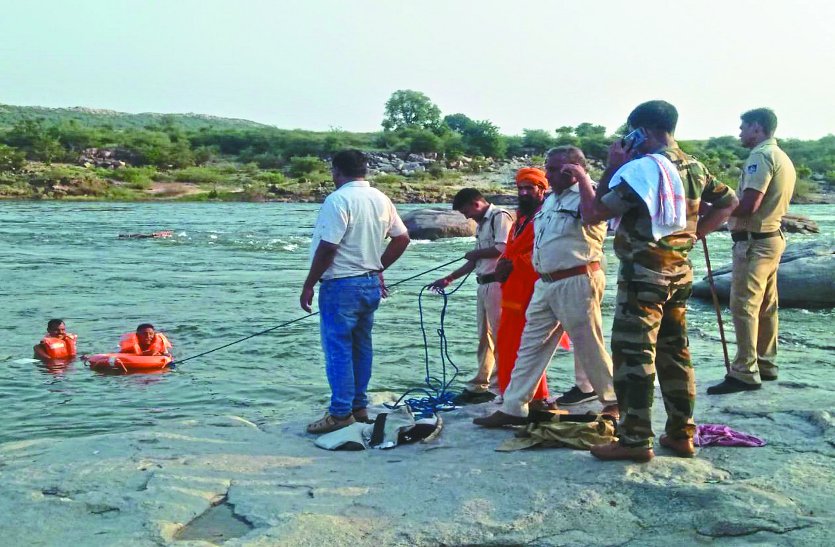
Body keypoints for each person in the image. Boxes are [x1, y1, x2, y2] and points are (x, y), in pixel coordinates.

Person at [575, 100, 738, 462]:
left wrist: (608, 168)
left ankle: (634, 440)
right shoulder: (694, 167)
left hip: (643, 277)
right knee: (674, 351)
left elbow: (594, 213)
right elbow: (729, 202)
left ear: (642, 131)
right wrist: (694, 235)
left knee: (634, 355)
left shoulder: (643, 172)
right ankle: (682, 434)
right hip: (679, 274)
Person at [474, 146, 617, 428]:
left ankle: (613, 401)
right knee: (530, 344)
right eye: (547, 167)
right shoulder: (551, 201)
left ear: (573, 168)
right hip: (546, 282)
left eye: (554, 169)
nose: (548, 174)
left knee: (588, 342)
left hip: (577, 278)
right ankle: (515, 406)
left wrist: (582, 177)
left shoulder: (590, 195)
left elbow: (594, 216)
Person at [301, 149, 410, 435]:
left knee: (337, 348)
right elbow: (402, 238)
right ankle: (359, 407)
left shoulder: (338, 199)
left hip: (341, 285)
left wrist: (309, 283)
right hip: (369, 283)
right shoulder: (381, 198)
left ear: (336, 171)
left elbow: (328, 248)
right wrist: (377, 267)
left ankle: (340, 413)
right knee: (362, 346)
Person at [708, 108, 796, 394]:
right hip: (772, 236)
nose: (740, 132)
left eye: (743, 127)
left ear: (757, 128)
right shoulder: (781, 155)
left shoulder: (760, 156)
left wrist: (711, 211)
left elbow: (749, 205)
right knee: (767, 305)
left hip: (754, 240)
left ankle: (745, 371)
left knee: (743, 305)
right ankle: (765, 363)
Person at [430, 189, 513, 404]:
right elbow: (475, 261)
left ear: (476, 203)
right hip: (483, 284)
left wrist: (475, 254)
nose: (466, 217)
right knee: (484, 336)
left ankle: (498, 385)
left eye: (465, 211)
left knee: (500, 335)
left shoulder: (499, 216)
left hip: (498, 284)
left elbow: (502, 249)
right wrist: (449, 278)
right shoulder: (482, 223)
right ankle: (481, 382)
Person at [493, 168, 551, 407]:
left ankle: (535, 396)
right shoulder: (520, 218)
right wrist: (502, 267)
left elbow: (544, 252)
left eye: (530, 188)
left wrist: (512, 264)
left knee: (527, 346)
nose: (524, 192)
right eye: (521, 188)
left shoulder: (545, 216)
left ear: (542, 190)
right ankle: (512, 394)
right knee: (508, 343)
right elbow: (510, 249)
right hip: (512, 290)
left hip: (533, 290)